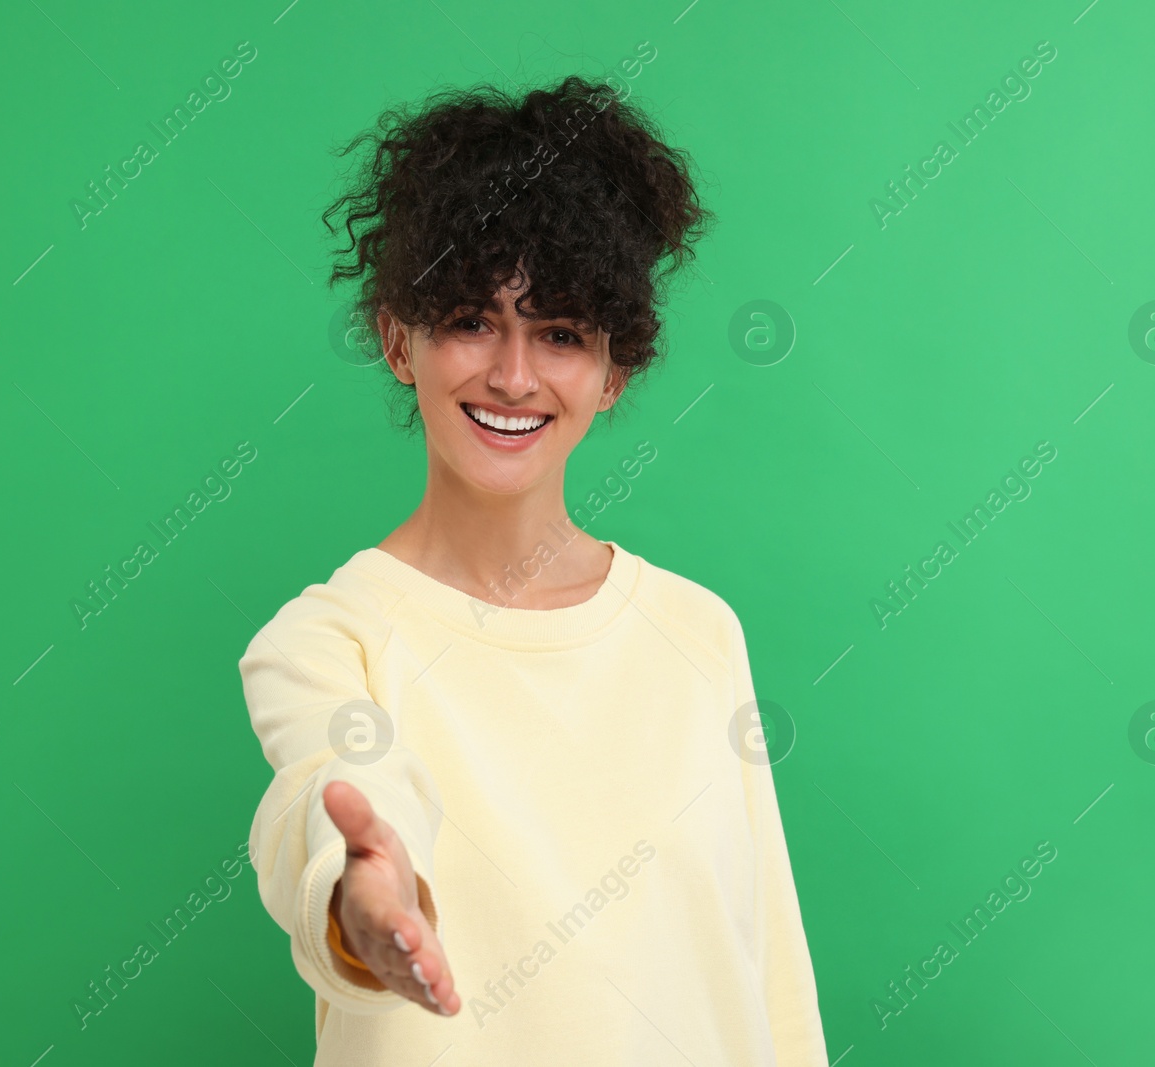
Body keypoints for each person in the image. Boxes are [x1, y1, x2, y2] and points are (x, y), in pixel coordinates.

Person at [239, 74, 829, 1065]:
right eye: (471, 320)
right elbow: (335, 792)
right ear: (398, 339)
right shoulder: (331, 639)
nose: (512, 375)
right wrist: (366, 894)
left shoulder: (696, 633)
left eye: (559, 334)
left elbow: (765, 965)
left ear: (613, 372)